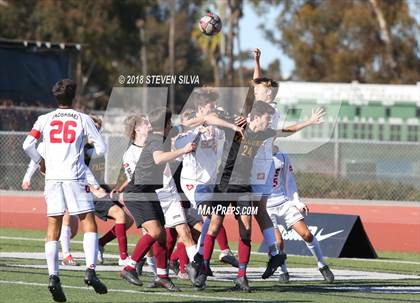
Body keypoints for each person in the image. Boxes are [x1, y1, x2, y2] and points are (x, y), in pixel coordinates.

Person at [22, 79, 108, 302]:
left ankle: (53, 277)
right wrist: (85, 146)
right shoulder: (83, 118)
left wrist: (41, 161)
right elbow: (101, 148)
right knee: (89, 220)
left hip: (52, 178)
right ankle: (90, 270)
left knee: (53, 226)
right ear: (74, 96)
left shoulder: (44, 119)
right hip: (75, 176)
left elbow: (27, 145)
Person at [249, 48, 325, 280]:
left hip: (263, 164)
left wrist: (309, 121)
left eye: (271, 91)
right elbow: (256, 83)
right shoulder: (254, 104)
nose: (268, 93)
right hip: (248, 162)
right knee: (244, 213)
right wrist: (257, 61)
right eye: (265, 90)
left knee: (253, 213)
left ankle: (270, 259)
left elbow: (286, 130)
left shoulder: (274, 112)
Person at [267, 146, 334, 283]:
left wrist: (297, 202)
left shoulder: (283, 156)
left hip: (284, 202)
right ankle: (283, 270)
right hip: (266, 206)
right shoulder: (255, 157)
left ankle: (322, 265)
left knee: (307, 234)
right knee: (278, 242)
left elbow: (289, 181)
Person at [83, 115, 134, 267]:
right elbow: (79, 172)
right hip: (87, 192)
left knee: (128, 220)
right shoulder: (80, 147)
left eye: (98, 128)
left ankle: (100, 243)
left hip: (100, 189)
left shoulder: (97, 147)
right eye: (94, 128)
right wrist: (94, 189)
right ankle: (123, 257)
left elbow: (98, 173)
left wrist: (110, 189)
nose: (96, 131)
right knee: (120, 215)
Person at [22, 142, 79, 266]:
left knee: (72, 229)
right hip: (54, 185)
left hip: (72, 183)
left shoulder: (73, 139)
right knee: (65, 217)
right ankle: (66, 255)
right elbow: (35, 161)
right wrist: (27, 177)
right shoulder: (45, 144)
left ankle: (52, 242)